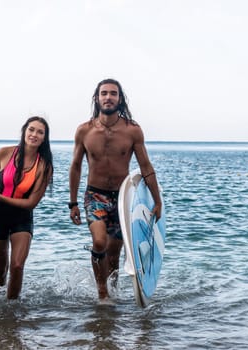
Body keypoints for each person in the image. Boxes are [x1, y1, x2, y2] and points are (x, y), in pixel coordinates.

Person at [68, 78, 162, 300]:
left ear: (120, 99)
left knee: (114, 253)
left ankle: (113, 296)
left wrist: (156, 201)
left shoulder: (132, 130)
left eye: (113, 93)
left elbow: (145, 166)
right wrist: (72, 203)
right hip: (95, 195)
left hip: (123, 198)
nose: (108, 97)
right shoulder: (84, 130)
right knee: (99, 241)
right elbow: (75, 166)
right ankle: (102, 292)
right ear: (97, 98)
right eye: (104, 93)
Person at [0, 116, 53, 299]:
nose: (34, 135)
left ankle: (12, 309)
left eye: (40, 132)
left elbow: (31, 203)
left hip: (21, 217)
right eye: (31, 130)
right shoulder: (5, 153)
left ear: (44, 138)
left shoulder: (44, 166)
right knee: (1, 269)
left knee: (17, 266)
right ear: (24, 131)